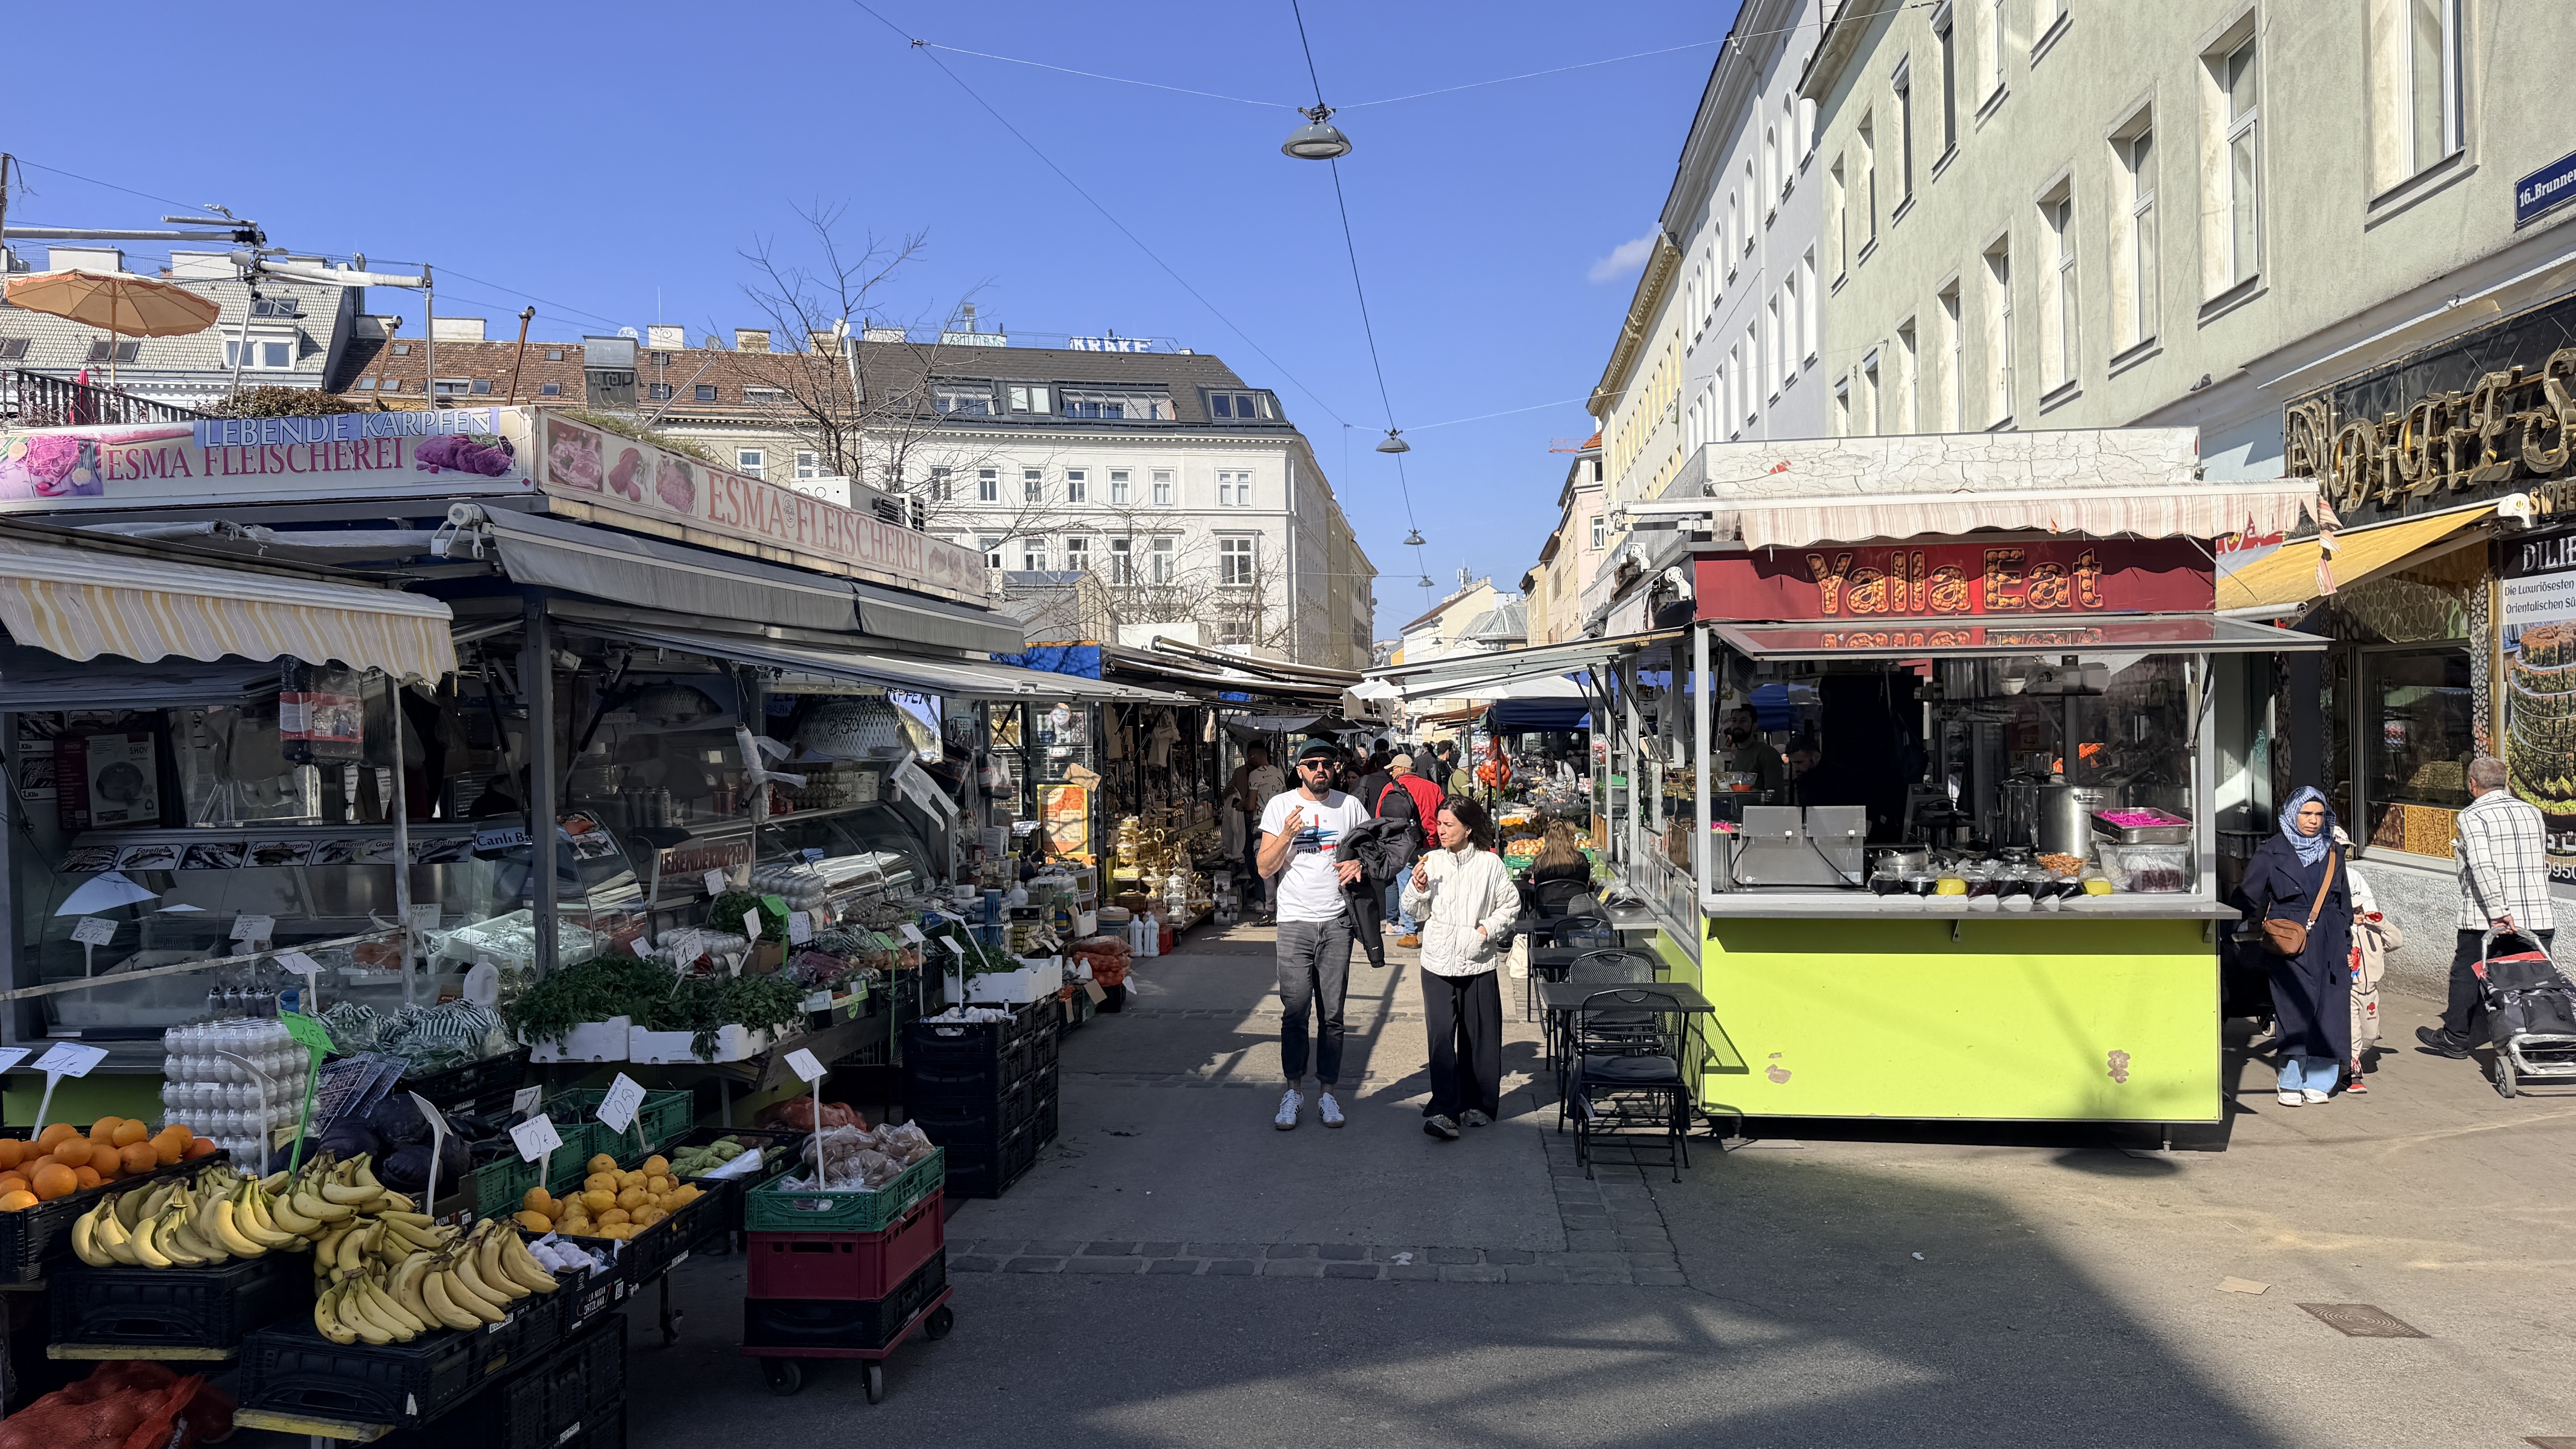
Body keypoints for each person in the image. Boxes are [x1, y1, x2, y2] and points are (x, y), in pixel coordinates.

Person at [1258, 739, 1372, 1130]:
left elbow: (1371, 851)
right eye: (1312, 763)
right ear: (1300, 770)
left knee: (1333, 1014)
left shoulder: (1350, 806)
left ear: (1335, 768)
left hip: (1337, 921)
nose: (1320, 769)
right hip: (1295, 922)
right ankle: (1293, 1091)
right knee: (1295, 1012)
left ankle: (1328, 1093)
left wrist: (1359, 863)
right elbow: (1264, 868)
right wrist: (1286, 835)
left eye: (1326, 762)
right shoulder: (1281, 806)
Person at [2419, 755, 2556, 1059]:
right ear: (2506, 782)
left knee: (2468, 972)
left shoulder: (2473, 815)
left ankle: (2455, 1037)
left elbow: (2482, 865)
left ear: (2472, 784)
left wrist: (2499, 911)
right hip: (2536, 913)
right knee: (2531, 981)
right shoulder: (2532, 811)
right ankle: (2534, 1042)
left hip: (2487, 918)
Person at [1402, 798, 1521, 1140]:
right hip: (1437, 962)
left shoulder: (1490, 864)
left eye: (1449, 825)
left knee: (1479, 1037)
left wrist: (1485, 931)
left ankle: (1478, 1103)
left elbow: (1511, 905)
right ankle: (1445, 1109)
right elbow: (1412, 909)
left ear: (1468, 828)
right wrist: (1418, 888)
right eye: (1439, 824)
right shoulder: (1432, 861)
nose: (1441, 831)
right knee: (1441, 1036)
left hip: (1477, 961)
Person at [2245, 787, 2353, 1105]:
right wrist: (2228, 931)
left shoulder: (2333, 851)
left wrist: (2347, 942)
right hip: (2289, 939)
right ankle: (2291, 1079)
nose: (2313, 820)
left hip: (2330, 939)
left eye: (2319, 814)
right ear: (2292, 814)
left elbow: (2343, 901)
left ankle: (2320, 1078)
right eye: (2306, 813)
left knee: (2330, 1009)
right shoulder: (2271, 852)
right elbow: (2250, 896)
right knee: (2293, 1009)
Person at [1377, 754, 1447, 947]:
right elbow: (1444, 814)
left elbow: (1379, 817)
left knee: (1406, 887)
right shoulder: (1433, 788)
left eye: (1393, 769)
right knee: (1435, 885)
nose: (1391, 773)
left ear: (1402, 769)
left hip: (1404, 845)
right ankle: (1439, 927)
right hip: (1431, 843)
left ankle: (1410, 933)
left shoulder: (1391, 788)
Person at [1228, 743, 1285, 922]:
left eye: (1248, 757)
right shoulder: (1279, 773)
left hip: (1261, 826)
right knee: (1279, 866)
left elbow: (1251, 805)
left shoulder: (1255, 775)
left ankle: (1268, 908)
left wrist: (1242, 804)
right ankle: (1280, 907)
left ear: (1253, 756)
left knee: (1264, 868)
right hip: (1280, 825)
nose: (1247, 761)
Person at [1722, 705, 1786, 796]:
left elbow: (1775, 795)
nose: (1737, 725)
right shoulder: (1735, 754)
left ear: (1755, 726)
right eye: (1734, 721)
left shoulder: (1767, 754)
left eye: (1743, 721)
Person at [1522, 822, 1591, 890]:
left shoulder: (1540, 862)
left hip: (1547, 897)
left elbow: (1537, 886)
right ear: (1570, 838)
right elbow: (1585, 882)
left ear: (1547, 838)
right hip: (1577, 897)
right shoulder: (1581, 860)